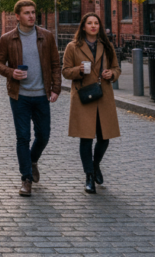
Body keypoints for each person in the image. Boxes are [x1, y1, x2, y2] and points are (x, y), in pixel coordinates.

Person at [0, 0, 61, 197]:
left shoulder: (46, 37)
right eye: (27, 13)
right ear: (17, 16)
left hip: (41, 95)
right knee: (23, 137)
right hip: (19, 96)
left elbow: (56, 64)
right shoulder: (7, 39)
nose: (31, 16)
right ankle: (26, 178)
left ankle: (32, 160)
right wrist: (11, 72)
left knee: (44, 136)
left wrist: (56, 88)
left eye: (33, 12)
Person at [61, 12, 121, 194]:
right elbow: (65, 71)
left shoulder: (107, 46)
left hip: (103, 95)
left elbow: (116, 68)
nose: (93, 26)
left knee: (104, 137)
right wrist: (78, 70)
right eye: (90, 23)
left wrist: (112, 74)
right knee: (86, 137)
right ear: (83, 26)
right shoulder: (73, 47)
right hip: (83, 96)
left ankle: (95, 166)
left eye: (96, 23)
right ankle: (89, 176)